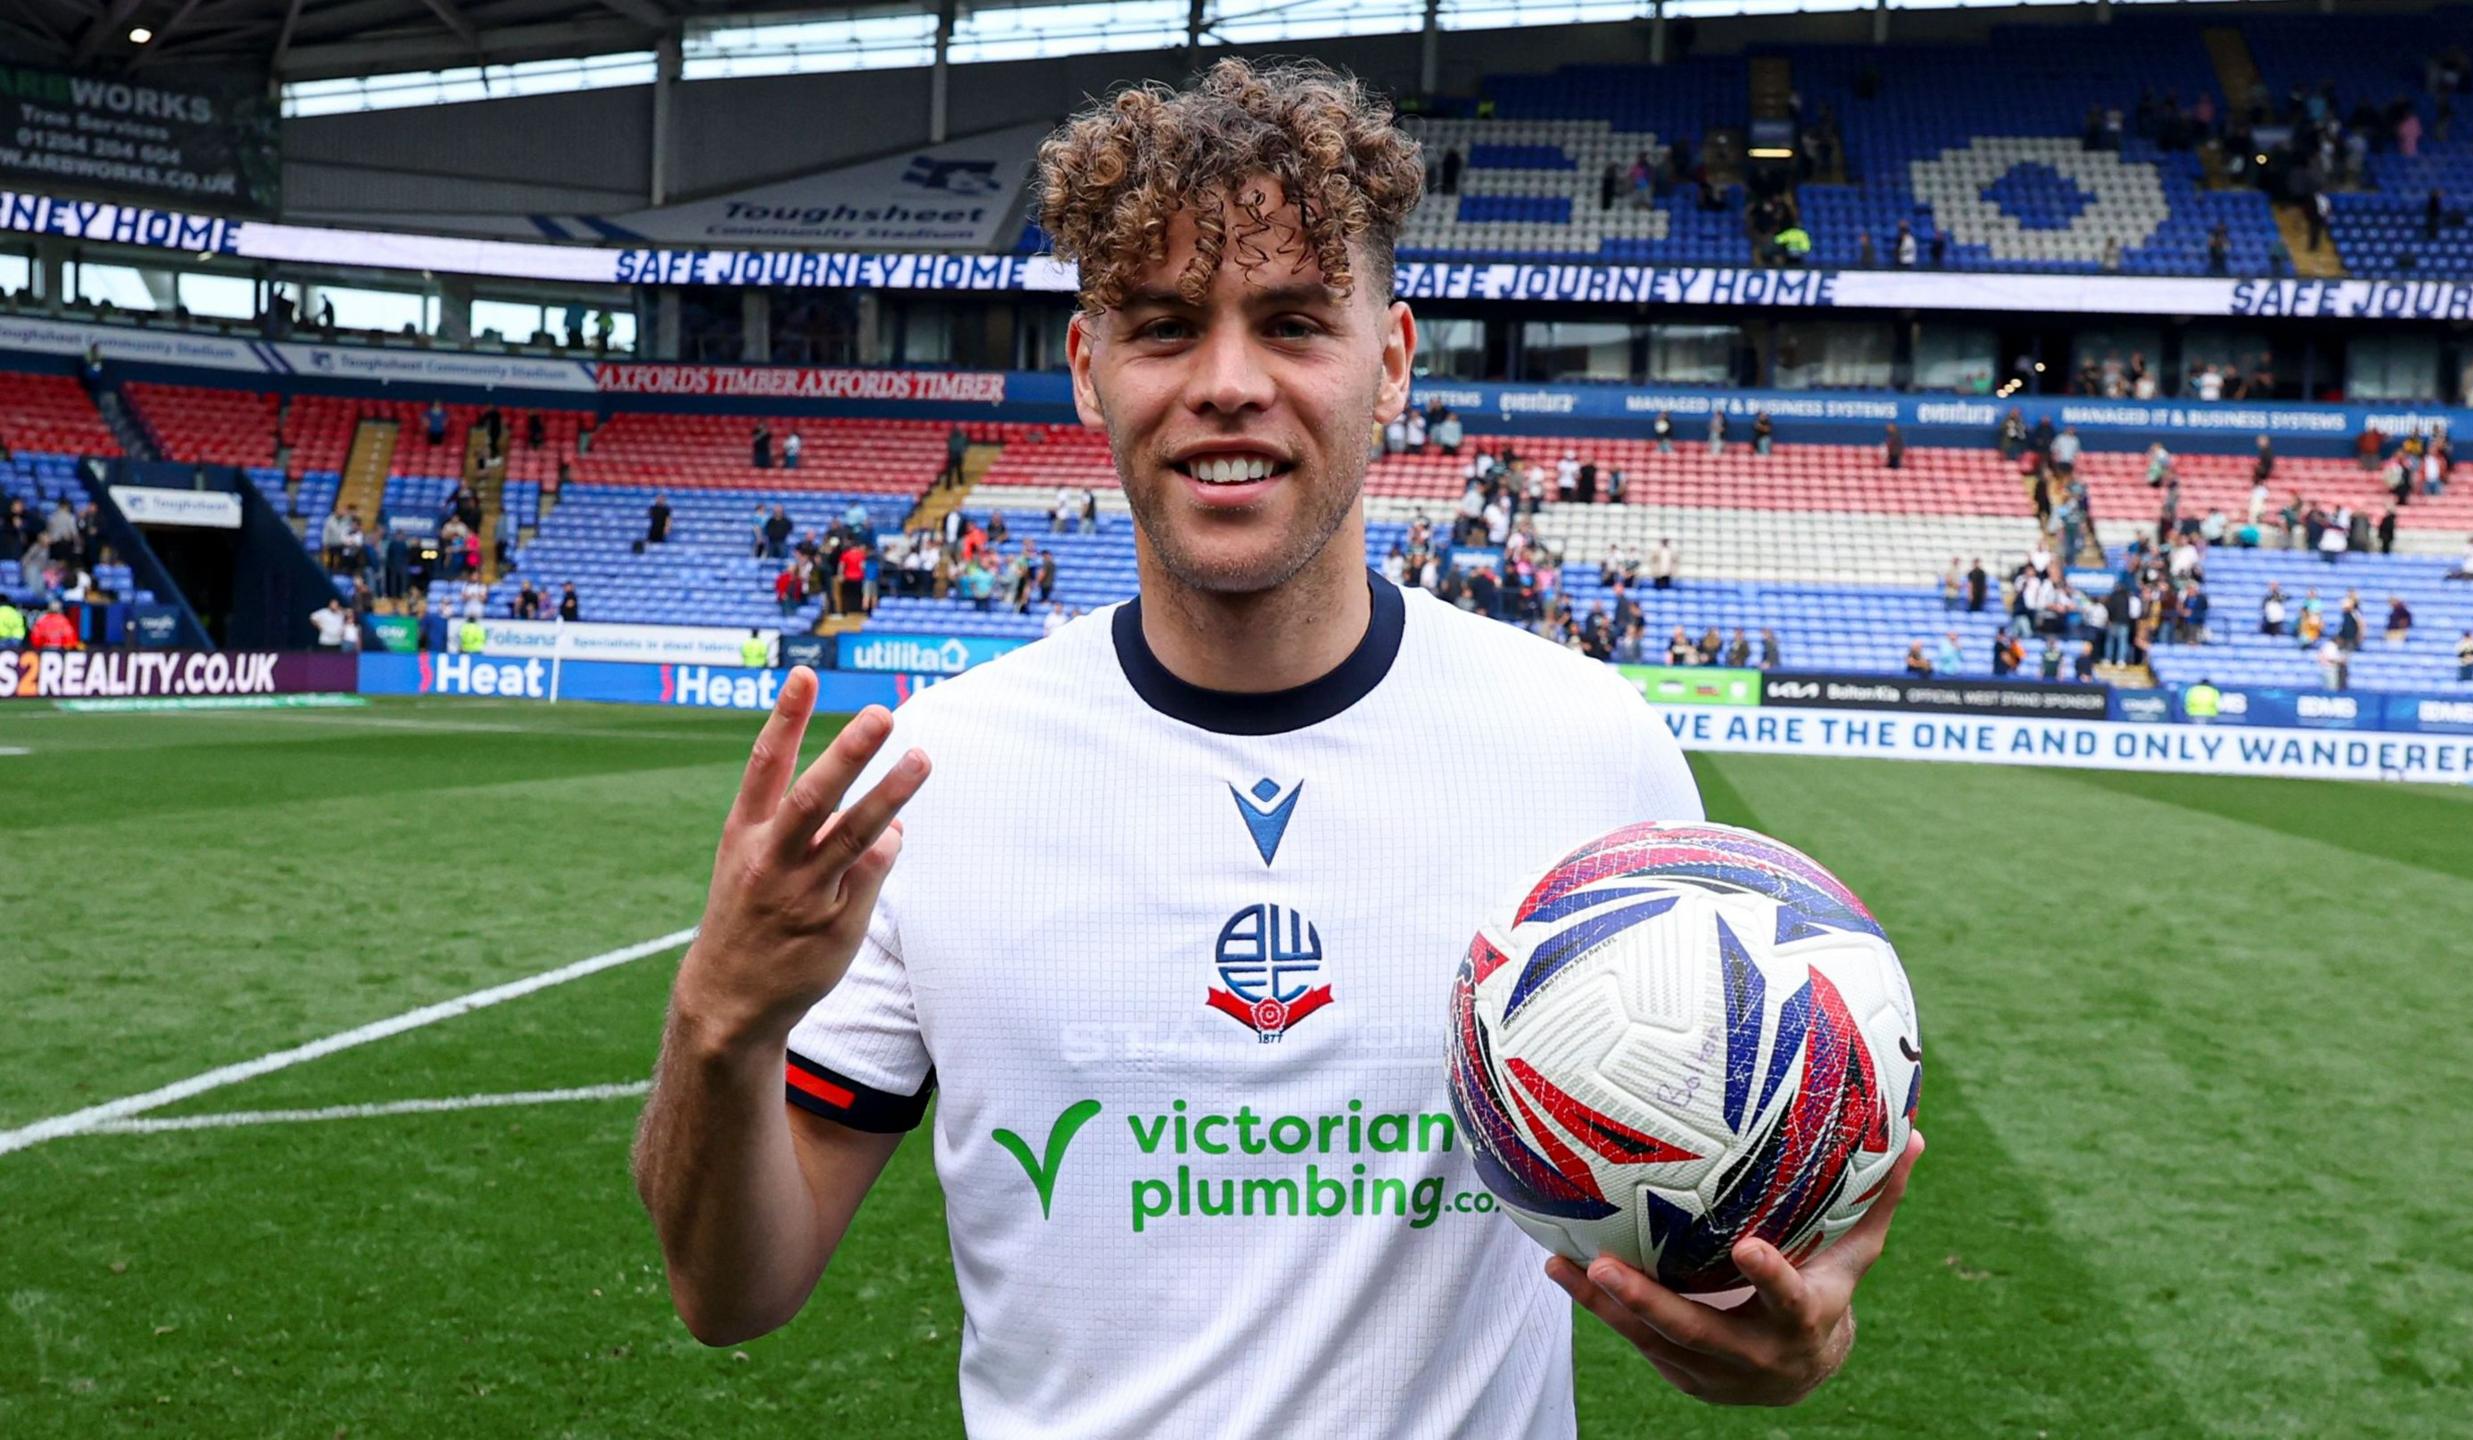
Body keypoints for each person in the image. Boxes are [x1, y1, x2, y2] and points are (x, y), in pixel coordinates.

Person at [630, 59, 1915, 1438]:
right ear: (1088, 370)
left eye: (1295, 323)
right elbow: (732, 1292)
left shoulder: (1590, 753)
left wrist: (1777, 1332)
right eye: (1165, 325)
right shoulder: (941, 772)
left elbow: (1710, 1230)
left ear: (1394, 364)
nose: (1227, 384)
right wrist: (721, 1018)